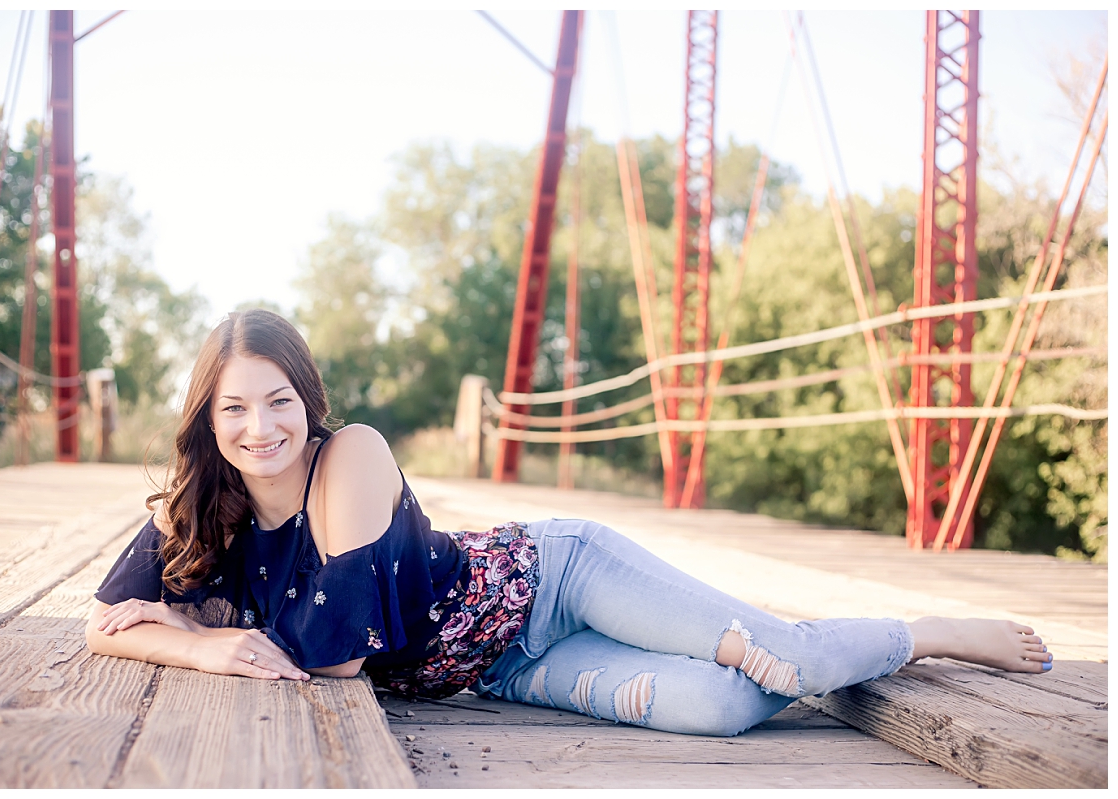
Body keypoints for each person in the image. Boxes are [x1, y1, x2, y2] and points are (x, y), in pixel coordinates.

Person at [86, 309, 1053, 737]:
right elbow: (104, 620)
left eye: (280, 399)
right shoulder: (200, 513)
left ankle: (922, 634)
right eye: (235, 410)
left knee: (781, 656)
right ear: (208, 423)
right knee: (719, 708)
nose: (262, 428)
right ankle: (825, 663)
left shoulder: (353, 456)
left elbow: (332, 655)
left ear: (309, 397)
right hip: (504, 668)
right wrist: (199, 649)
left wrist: (197, 629)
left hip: (556, 577)